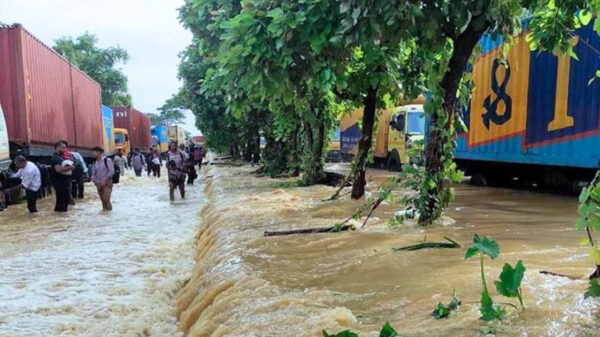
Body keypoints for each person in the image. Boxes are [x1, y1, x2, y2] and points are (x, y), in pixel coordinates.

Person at [51, 140, 75, 212]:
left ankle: (60, 219)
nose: (65, 149)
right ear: (57, 148)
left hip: (62, 183)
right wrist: (70, 168)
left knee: (61, 202)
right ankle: (62, 219)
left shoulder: (59, 157)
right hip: (60, 184)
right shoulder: (56, 158)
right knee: (63, 202)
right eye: (63, 148)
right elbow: (58, 169)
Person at [90, 146, 115, 211]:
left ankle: (109, 215)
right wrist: (96, 183)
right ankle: (105, 216)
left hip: (107, 184)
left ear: (99, 152)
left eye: (94, 152)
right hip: (98, 185)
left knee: (106, 201)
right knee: (103, 202)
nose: (92, 154)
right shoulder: (94, 163)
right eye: (92, 152)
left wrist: (104, 180)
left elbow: (111, 172)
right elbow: (92, 176)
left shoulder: (107, 160)